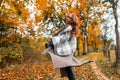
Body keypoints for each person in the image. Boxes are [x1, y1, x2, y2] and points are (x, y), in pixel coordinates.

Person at [42, 13, 93, 80]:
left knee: (68, 68)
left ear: (72, 20)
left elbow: (63, 38)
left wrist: (52, 41)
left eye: (68, 17)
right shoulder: (68, 27)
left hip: (66, 51)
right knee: (67, 68)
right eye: (67, 16)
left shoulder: (69, 28)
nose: (66, 18)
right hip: (66, 50)